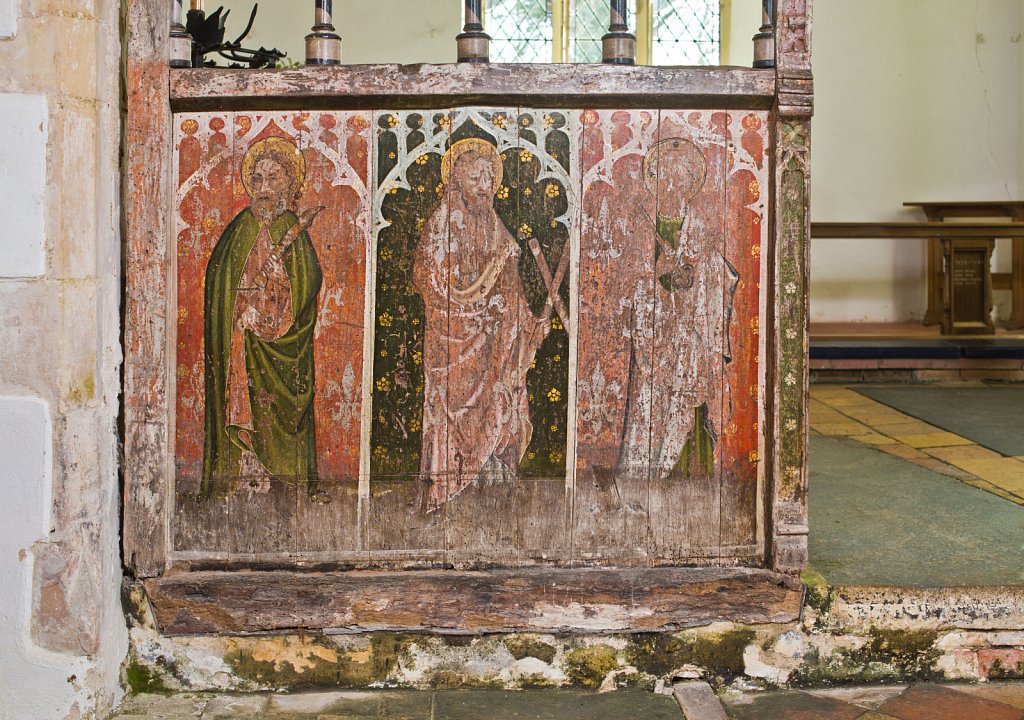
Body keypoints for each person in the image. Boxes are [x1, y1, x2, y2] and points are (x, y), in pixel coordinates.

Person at [413, 138, 549, 512]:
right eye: (476, 178)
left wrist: (528, 322)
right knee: (451, 415)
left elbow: (511, 286)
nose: (485, 186)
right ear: (457, 180)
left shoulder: (494, 226)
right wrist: (473, 307)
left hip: (494, 342)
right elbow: (430, 281)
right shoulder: (441, 224)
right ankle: (449, 493)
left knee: (500, 401)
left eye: (489, 178)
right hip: (453, 342)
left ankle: (494, 492)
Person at [202, 137, 323, 499]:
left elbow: (308, 281)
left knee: (283, 408)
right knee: (241, 406)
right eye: (257, 179)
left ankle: (288, 487)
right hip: (241, 339)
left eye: (273, 178)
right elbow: (219, 282)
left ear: (289, 184)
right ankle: (239, 478)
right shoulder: (238, 230)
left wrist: (278, 300)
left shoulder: (293, 230)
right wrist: (238, 308)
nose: (264, 187)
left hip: (280, 338)